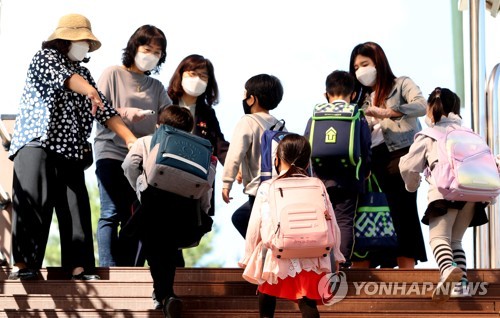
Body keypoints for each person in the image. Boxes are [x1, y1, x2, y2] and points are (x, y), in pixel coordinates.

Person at [7, 13, 137, 280]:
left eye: (88, 43)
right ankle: (24, 266)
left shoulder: (84, 73)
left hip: (71, 150)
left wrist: (129, 138)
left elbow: (104, 110)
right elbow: (67, 80)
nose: (85, 47)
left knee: (76, 208)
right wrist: (88, 90)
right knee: (34, 203)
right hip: (37, 142)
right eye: (81, 41)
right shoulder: (44, 58)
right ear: (64, 40)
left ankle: (79, 268)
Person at [122, 105, 214, 318]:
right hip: (185, 209)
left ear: (159, 125)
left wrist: (140, 187)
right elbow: (206, 183)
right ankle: (164, 296)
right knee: (168, 249)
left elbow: (129, 165)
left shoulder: (146, 141)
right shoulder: (199, 149)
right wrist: (203, 211)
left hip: (154, 203)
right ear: (189, 129)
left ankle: (164, 295)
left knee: (155, 248)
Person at [239, 133, 344, 318]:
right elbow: (331, 222)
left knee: (266, 294)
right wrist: (336, 254)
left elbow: (256, 224)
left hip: (277, 253)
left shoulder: (268, 186)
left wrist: (248, 256)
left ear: (277, 160)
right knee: (307, 300)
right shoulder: (317, 184)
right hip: (312, 253)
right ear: (307, 162)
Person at [399, 87, 489, 301]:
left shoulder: (429, 135)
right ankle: (461, 286)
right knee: (456, 241)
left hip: (444, 192)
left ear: (430, 109)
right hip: (471, 194)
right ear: (456, 109)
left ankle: (447, 268)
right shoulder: (470, 134)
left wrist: (412, 185)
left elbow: (408, 166)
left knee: (438, 238)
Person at [94, 25, 170, 267]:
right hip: (111, 151)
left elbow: (170, 117)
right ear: (134, 47)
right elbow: (97, 109)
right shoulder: (112, 74)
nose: (151, 56)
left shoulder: (156, 87)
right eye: (147, 49)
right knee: (110, 212)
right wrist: (127, 113)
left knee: (134, 215)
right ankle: (107, 268)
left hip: (142, 159)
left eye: (157, 53)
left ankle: (128, 269)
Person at [348, 41, 428, 268]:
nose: (360, 70)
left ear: (378, 63)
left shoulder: (401, 84)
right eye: (356, 67)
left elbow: (421, 105)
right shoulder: (359, 97)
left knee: (402, 211)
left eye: (365, 64)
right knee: (370, 212)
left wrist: (388, 112)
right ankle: (372, 270)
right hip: (370, 161)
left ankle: (405, 272)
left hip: (400, 155)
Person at [304, 70, 372, 268]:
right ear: (352, 95)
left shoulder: (316, 116)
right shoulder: (357, 115)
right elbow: (366, 147)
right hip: (350, 178)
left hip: (320, 179)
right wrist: (365, 170)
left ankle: (319, 262)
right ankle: (341, 263)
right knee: (344, 219)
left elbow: (306, 145)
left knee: (321, 220)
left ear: (326, 93)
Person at [222, 74, 285, 238]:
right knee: (245, 219)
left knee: (246, 221)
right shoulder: (280, 126)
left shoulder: (248, 121)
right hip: (278, 189)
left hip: (258, 191)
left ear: (251, 99)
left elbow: (235, 153)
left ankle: (260, 259)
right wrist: (244, 169)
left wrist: (226, 183)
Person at [167, 54, 229, 217]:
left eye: (203, 76)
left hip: (197, 179)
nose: (197, 79)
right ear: (181, 74)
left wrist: (234, 167)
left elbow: (219, 145)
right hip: (166, 175)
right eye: (193, 74)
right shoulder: (165, 103)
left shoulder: (207, 113)